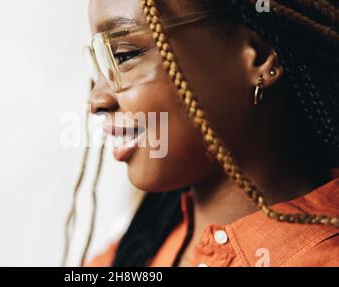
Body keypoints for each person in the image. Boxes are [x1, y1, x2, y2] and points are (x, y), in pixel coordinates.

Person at [76, 0, 339, 267]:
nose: (96, 101)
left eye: (123, 55)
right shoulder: (137, 245)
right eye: (100, 62)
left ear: (259, 56)